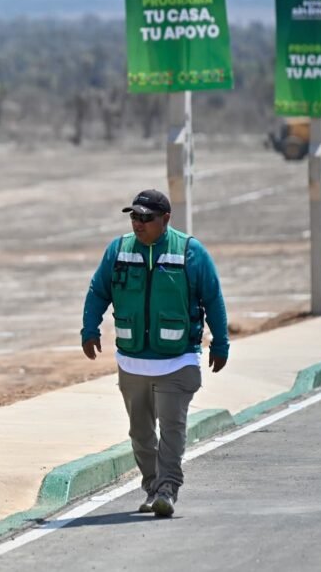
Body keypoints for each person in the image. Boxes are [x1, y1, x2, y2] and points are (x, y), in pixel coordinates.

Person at [81, 189, 228, 517]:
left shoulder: (191, 252)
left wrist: (220, 342)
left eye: (146, 218)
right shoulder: (118, 250)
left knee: (172, 428)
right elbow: (98, 291)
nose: (138, 223)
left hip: (178, 359)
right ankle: (152, 486)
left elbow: (213, 298)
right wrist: (89, 329)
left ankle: (168, 488)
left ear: (165, 219)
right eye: (134, 216)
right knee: (141, 433)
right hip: (132, 361)